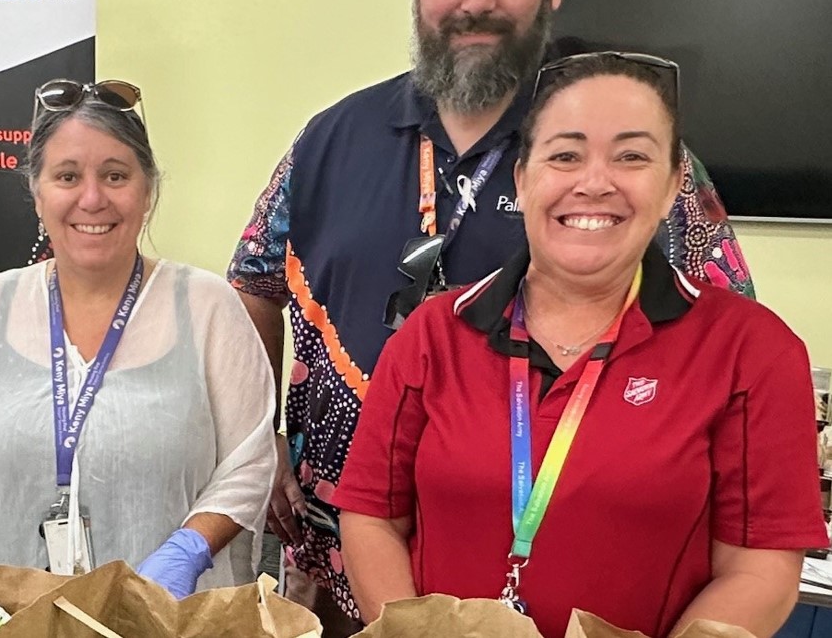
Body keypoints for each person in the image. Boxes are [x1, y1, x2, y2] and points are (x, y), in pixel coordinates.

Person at [227, 0, 753, 631]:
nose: (477, 0)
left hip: (563, 589)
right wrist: (259, 438)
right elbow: (252, 283)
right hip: (333, 574)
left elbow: (724, 331)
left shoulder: (613, 157)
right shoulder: (329, 139)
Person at [331, 52, 826, 638]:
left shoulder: (752, 351)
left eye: (632, 156)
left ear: (672, 187)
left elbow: (759, 566)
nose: (594, 183)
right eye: (564, 155)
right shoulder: (433, 334)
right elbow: (371, 517)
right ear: (524, 179)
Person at [0, 80, 276, 599]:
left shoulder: (207, 308)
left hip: (162, 624)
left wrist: (190, 549)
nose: (91, 197)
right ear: (36, 193)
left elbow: (251, 461)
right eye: (67, 176)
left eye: (115, 175)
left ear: (147, 191)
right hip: (3, 623)